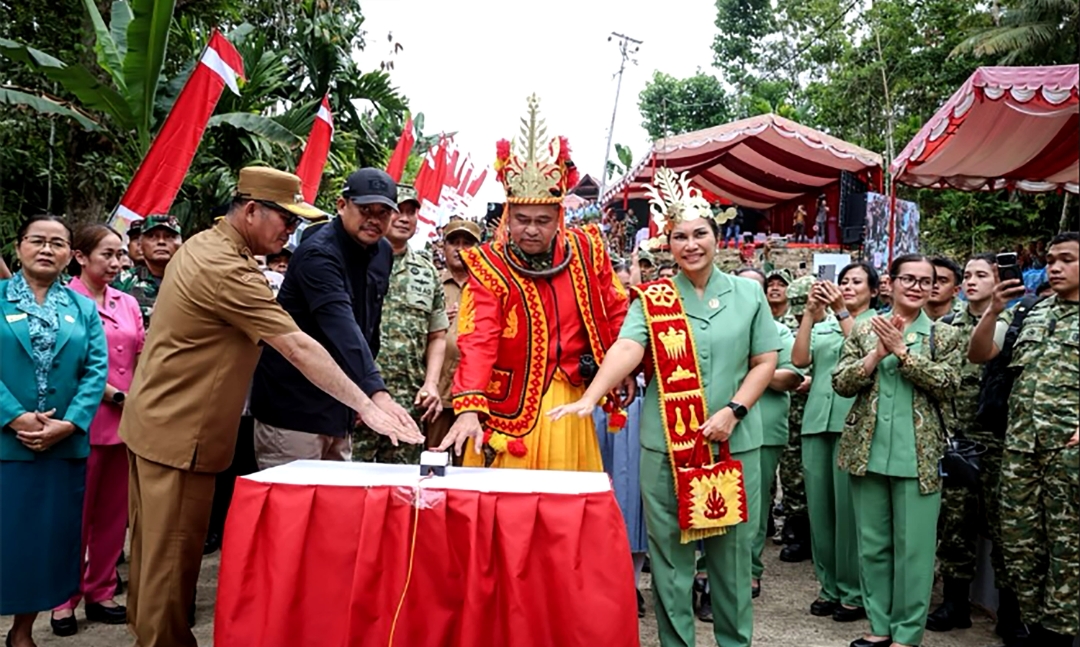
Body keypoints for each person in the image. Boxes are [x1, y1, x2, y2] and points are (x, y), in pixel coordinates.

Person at [119, 167, 423, 647]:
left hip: (162, 424)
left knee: (155, 555)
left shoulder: (206, 245)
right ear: (251, 211)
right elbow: (297, 346)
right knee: (171, 564)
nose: (291, 230)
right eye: (285, 218)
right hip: (180, 433)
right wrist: (368, 403)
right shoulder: (228, 269)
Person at [551, 167, 780, 647]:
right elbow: (628, 348)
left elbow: (765, 362)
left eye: (700, 234)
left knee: (731, 557)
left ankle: (734, 642)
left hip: (734, 444)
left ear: (717, 238)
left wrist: (734, 411)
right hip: (666, 448)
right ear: (667, 243)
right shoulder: (653, 299)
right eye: (680, 237)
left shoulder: (748, 294)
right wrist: (590, 397)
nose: (691, 245)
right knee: (671, 560)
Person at [438, 95, 630, 470]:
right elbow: (478, 337)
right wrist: (470, 405)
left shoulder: (588, 250)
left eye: (542, 221)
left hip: (569, 396)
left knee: (562, 498)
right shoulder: (490, 266)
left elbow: (616, 311)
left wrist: (620, 369)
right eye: (521, 219)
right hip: (506, 405)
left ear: (559, 217)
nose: (530, 229)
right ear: (507, 216)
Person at [833, 254, 964, 647]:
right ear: (890, 283)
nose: (917, 287)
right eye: (909, 278)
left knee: (914, 551)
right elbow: (841, 382)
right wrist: (877, 353)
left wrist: (904, 353)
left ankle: (906, 634)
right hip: (868, 452)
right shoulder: (862, 330)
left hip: (918, 456)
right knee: (873, 545)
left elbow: (949, 385)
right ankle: (879, 626)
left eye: (926, 281)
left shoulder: (944, 335)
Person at [250, 168, 419, 469]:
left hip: (342, 405)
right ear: (342, 205)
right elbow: (341, 327)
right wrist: (375, 394)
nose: (374, 220)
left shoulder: (381, 251)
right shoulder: (318, 254)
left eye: (383, 212)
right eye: (365, 210)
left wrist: (361, 396)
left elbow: (369, 328)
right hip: (295, 407)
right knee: (295, 498)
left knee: (337, 498)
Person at [1, 215, 108, 647]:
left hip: (61, 448)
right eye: (37, 240)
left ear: (70, 255)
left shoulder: (82, 307)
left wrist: (70, 423)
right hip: (6, 443)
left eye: (57, 243)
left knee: (41, 546)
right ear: (19, 247)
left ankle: (22, 632)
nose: (46, 249)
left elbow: (96, 370)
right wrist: (15, 416)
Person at [968, 231, 1079, 647]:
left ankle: (1058, 634)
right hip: (1019, 447)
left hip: (1066, 450)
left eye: (1066, 259)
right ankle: (1032, 624)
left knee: (1067, 545)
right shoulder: (1030, 311)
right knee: (1018, 544)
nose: (1055, 267)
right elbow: (980, 354)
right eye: (1050, 260)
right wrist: (994, 310)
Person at [50, 225, 145, 636]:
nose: (117, 262)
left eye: (120, 254)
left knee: (113, 514)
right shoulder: (62, 301)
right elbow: (66, 363)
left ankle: (102, 589)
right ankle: (62, 599)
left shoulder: (128, 302)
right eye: (107, 254)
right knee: (75, 516)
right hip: (82, 419)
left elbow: (141, 354)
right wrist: (116, 395)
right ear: (80, 257)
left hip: (127, 422)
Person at [926, 253, 1013, 634]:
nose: (973, 281)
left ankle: (1011, 613)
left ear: (999, 280)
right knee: (954, 524)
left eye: (983, 275)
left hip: (1000, 439)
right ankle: (954, 604)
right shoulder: (947, 325)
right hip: (957, 438)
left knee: (1004, 526)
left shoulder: (1018, 320)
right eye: (969, 275)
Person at [792, 261, 879, 622]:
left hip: (853, 425)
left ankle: (854, 591)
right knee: (821, 512)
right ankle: (828, 586)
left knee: (850, 514)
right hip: (817, 422)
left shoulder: (878, 323)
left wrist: (841, 311)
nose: (848, 286)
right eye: (844, 281)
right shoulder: (825, 325)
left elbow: (864, 350)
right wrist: (810, 314)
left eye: (857, 282)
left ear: (874, 290)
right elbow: (799, 360)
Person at [353, 184, 448, 463]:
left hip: (409, 401)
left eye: (411, 213)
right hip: (360, 398)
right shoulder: (353, 263)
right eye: (398, 211)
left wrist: (431, 384)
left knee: (402, 484)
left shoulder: (427, 272)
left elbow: (437, 335)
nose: (405, 219)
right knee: (350, 481)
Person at [738, 267, 803, 599]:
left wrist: (754, 368)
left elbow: (792, 377)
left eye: (755, 288)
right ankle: (709, 568)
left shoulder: (778, 331)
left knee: (755, 505)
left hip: (764, 427)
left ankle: (749, 570)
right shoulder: (718, 327)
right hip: (720, 425)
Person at [427, 219, 483, 457]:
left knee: (469, 465)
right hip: (436, 395)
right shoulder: (431, 284)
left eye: (467, 243)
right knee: (431, 458)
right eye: (454, 242)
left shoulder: (489, 288)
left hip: (474, 397)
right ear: (444, 247)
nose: (460, 249)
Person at [112, 215, 182, 327]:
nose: (161, 242)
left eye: (169, 237)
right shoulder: (122, 282)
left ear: (181, 244)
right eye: (152, 237)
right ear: (140, 245)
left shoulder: (193, 281)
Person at [926, 256, 962, 320]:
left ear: (956, 291)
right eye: (930, 280)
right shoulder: (909, 309)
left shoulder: (965, 314)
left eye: (943, 281)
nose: (935, 285)